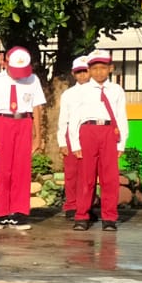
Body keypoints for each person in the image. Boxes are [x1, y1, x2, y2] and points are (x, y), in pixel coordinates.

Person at [0, 47, 46, 230]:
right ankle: (2, 214)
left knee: (22, 170)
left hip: (24, 122)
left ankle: (20, 213)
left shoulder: (32, 79)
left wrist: (37, 137)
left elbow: (37, 108)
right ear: (4, 62)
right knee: (4, 170)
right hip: (3, 123)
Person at [67, 50, 128, 232]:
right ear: (89, 70)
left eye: (103, 68)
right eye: (95, 68)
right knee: (86, 176)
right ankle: (82, 215)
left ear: (111, 68)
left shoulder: (116, 90)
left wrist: (122, 142)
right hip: (88, 131)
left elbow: (122, 116)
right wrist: (75, 143)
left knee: (109, 177)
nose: (99, 72)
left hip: (109, 131)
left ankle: (109, 217)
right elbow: (74, 118)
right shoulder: (82, 91)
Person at [55, 55, 90, 222]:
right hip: (71, 133)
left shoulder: (98, 92)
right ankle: (71, 205)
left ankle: (86, 206)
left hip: (90, 133)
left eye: (85, 71)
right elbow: (63, 118)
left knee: (88, 173)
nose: (82, 75)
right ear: (73, 74)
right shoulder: (69, 94)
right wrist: (62, 141)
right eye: (79, 72)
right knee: (71, 173)